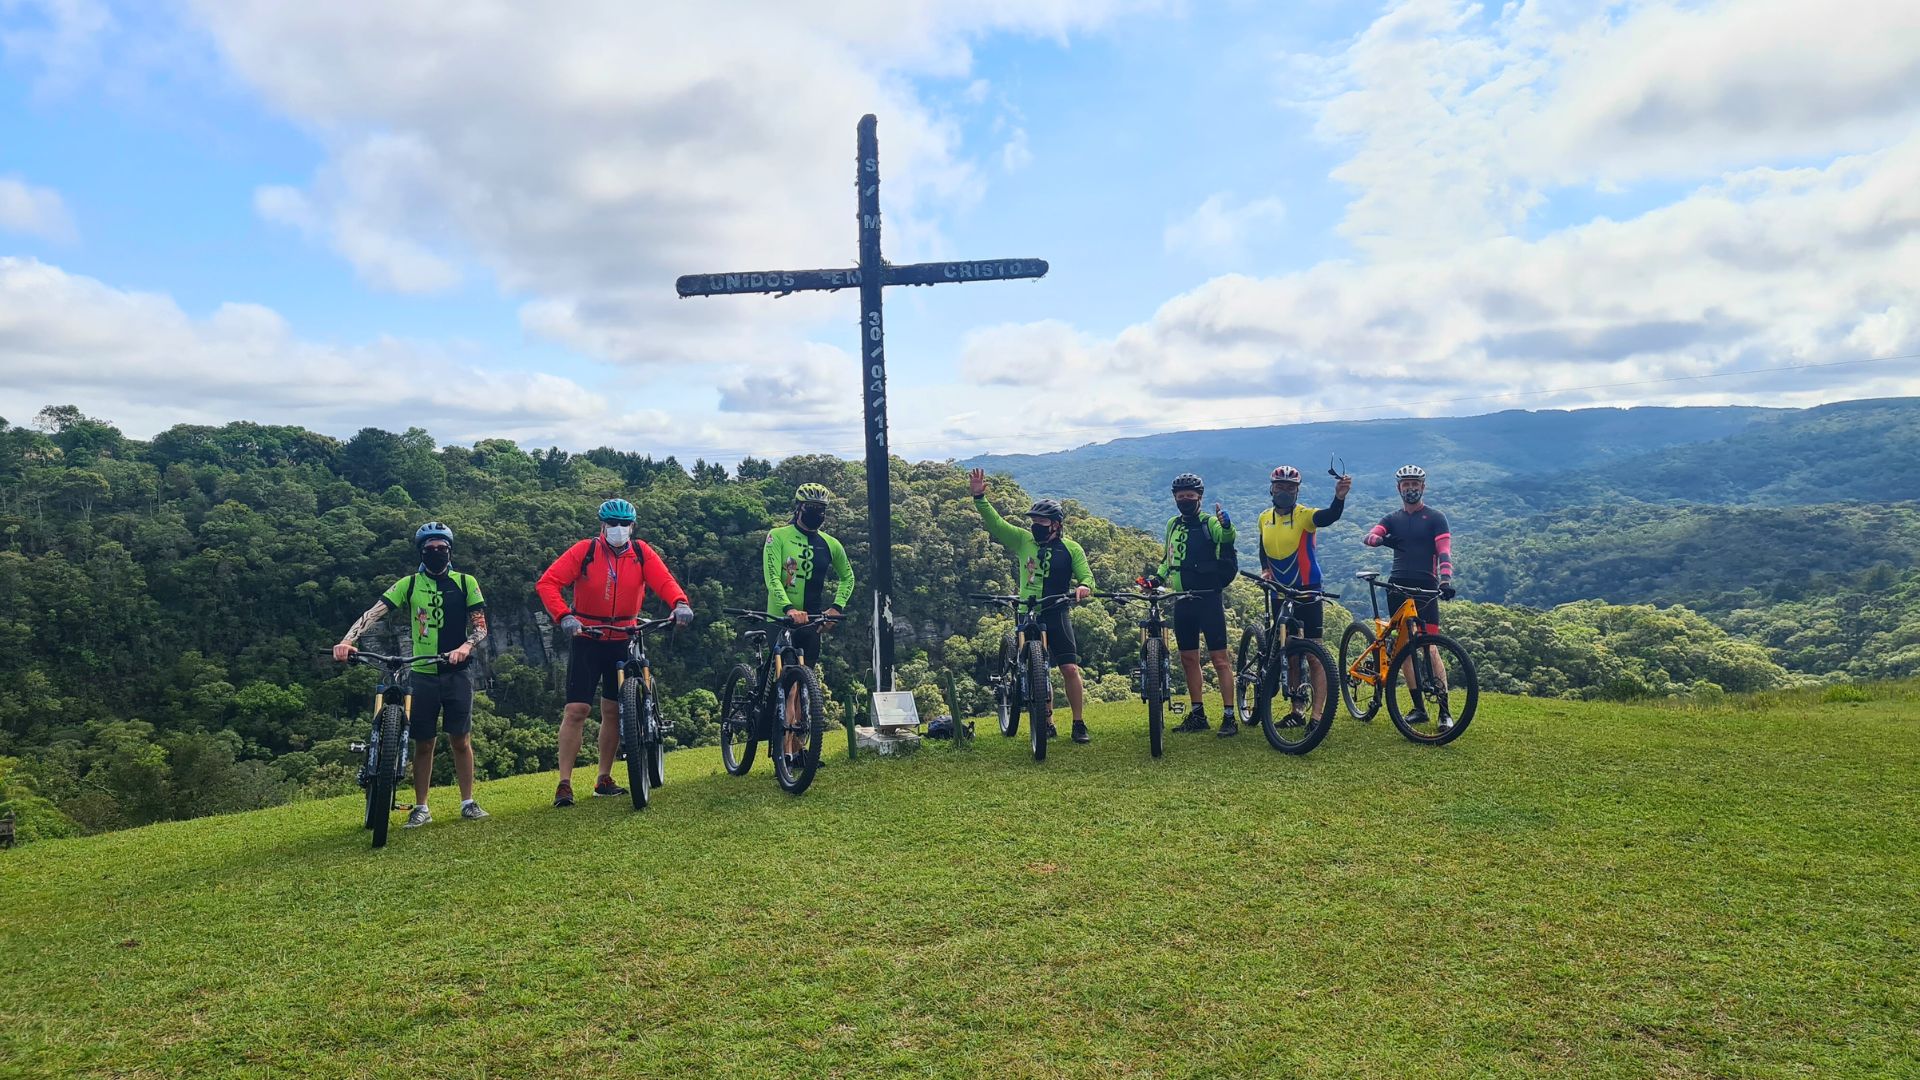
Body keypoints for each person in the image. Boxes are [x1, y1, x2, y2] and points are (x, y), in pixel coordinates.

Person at [535, 498, 694, 807]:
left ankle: (603, 778)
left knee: (613, 711)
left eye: (625, 524)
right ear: (602, 526)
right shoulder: (586, 551)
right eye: (613, 524)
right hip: (587, 636)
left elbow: (664, 580)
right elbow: (548, 583)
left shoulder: (641, 553)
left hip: (624, 635)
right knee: (576, 711)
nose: (619, 530)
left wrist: (680, 602)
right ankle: (564, 783)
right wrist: (564, 616)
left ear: (632, 527)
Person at [332, 522, 489, 826]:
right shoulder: (409, 584)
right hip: (422, 673)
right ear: (420, 551)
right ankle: (421, 807)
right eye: (429, 549)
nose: (436, 553)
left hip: (457, 671)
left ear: (450, 550)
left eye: (441, 548)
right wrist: (347, 640)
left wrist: (466, 646)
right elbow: (373, 613)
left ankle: (468, 801)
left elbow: (481, 627)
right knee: (424, 742)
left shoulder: (466, 582)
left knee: (460, 739)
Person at [968, 468, 1095, 743]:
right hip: (1027, 611)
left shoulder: (1071, 548)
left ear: (1056, 525)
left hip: (1056, 610)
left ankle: (1078, 722)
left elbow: (1087, 576)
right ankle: (1046, 721)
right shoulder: (1023, 540)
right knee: (1036, 668)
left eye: (1042, 521)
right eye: (1034, 520)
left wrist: (1084, 587)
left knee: (1069, 669)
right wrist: (980, 498)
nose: (1036, 525)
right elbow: (997, 524)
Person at [764, 482, 856, 763]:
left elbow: (848, 577)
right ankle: (786, 748)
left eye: (822, 510)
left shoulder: (830, 544)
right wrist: (789, 607)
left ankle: (797, 748)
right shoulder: (777, 536)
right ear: (799, 508)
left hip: (812, 623)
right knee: (788, 686)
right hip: (781, 619)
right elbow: (772, 576)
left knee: (803, 687)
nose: (817, 514)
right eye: (812, 509)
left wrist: (836, 608)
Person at [1256, 464, 1352, 731]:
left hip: (1308, 589)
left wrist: (1340, 497)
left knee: (1314, 653)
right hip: (1279, 592)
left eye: (1290, 487)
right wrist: (1265, 570)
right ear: (1271, 488)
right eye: (1280, 486)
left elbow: (1330, 516)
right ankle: (1296, 711)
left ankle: (1317, 717)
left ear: (1297, 491)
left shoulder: (1304, 516)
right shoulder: (1264, 517)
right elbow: (1262, 546)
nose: (1284, 491)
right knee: (1291, 652)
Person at [1363, 464, 1456, 726]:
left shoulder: (1436, 517)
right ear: (1399, 488)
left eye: (1415, 484)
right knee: (1404, 646)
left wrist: (1446, 579)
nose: (1411, 488)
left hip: (1427, 586)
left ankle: (1444, 711)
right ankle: (1418, 708)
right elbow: (1370, 536)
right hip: (1398, 587)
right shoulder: (1393, 518)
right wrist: (1379, 539)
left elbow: (1444, 550)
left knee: (1430, 646)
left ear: (1423, 487)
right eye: (1406, 485)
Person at [1150, 473, 1237, 734]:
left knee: (1219, 659)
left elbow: (1227, 538)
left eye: (1190, 495)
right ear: (1175, 497)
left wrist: (1227, 524)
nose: (1185, 499)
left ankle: (1229, 716)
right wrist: (1157, 577)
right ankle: (1198, 714)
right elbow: (1169, 558)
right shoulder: (1172, 525)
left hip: (1209, 597)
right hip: (1182, 599)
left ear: (1199, 497)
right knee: (1188, 658)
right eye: (1181, 496)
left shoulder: (1209, 523)